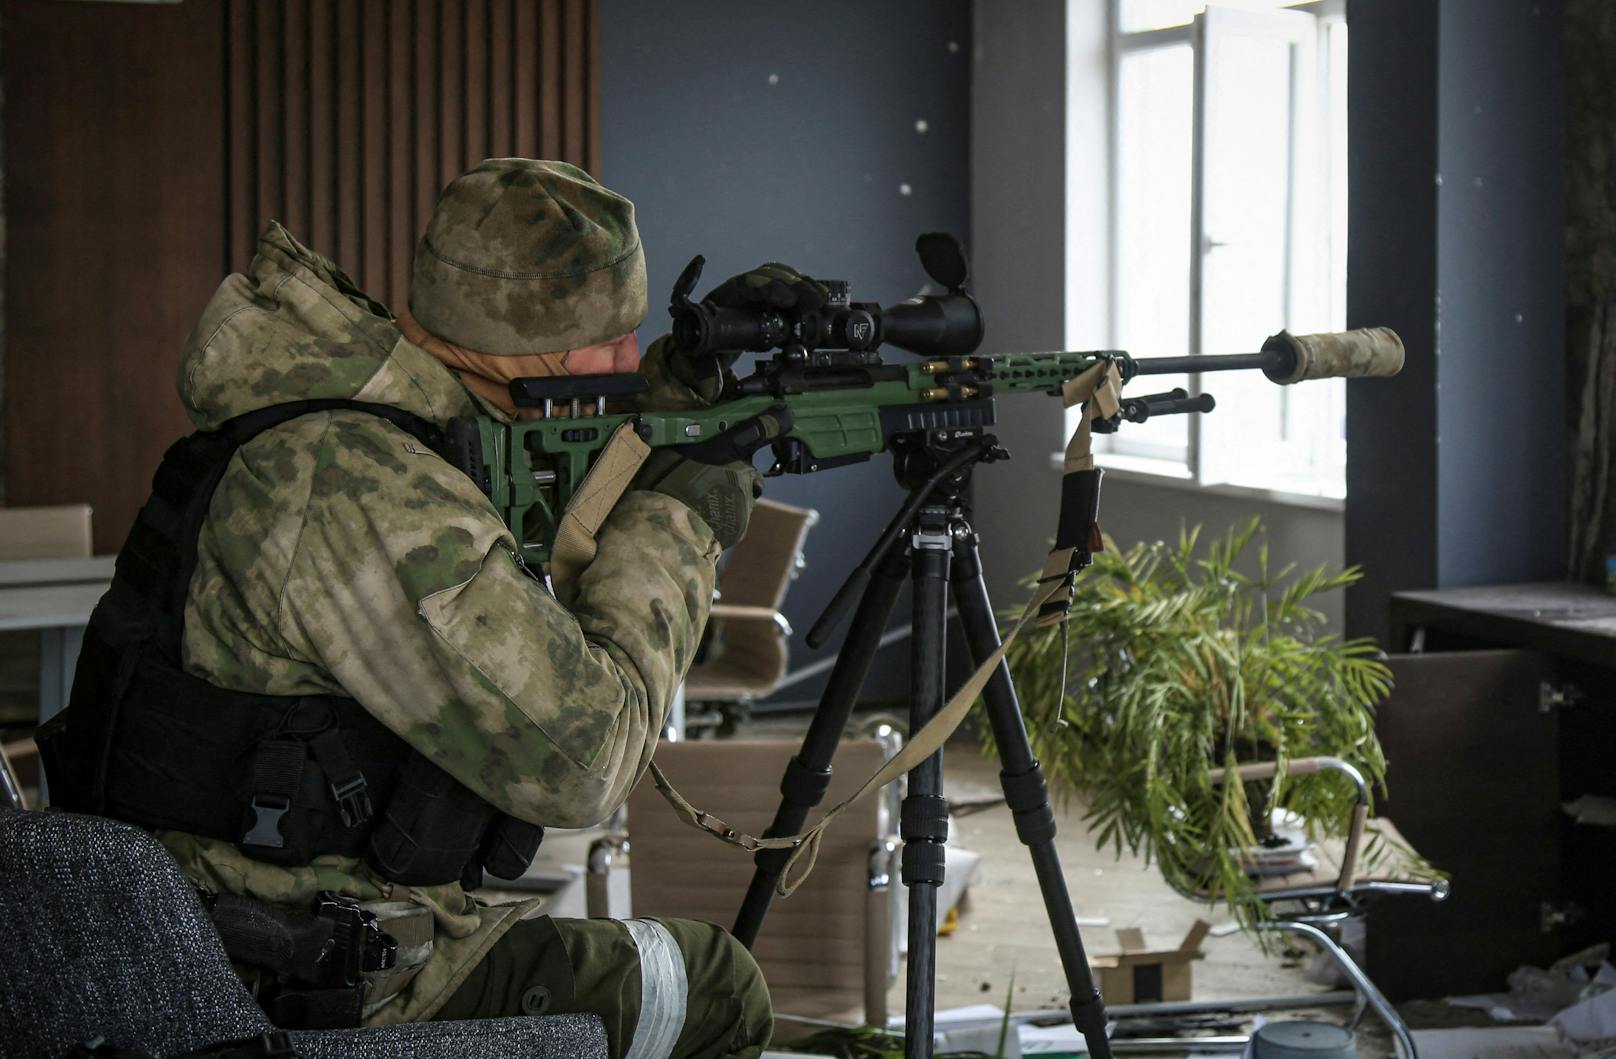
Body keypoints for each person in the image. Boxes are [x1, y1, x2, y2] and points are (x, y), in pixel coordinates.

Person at [40, 158, 828, 1059]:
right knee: (718, 984)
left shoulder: (333, 424)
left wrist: (673, 402)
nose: (625, 362)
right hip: (305, 973)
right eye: (613, 338)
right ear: (527, 345)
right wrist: (680, 520)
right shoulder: (370, 489)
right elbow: (587, 761)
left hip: (214, 921)